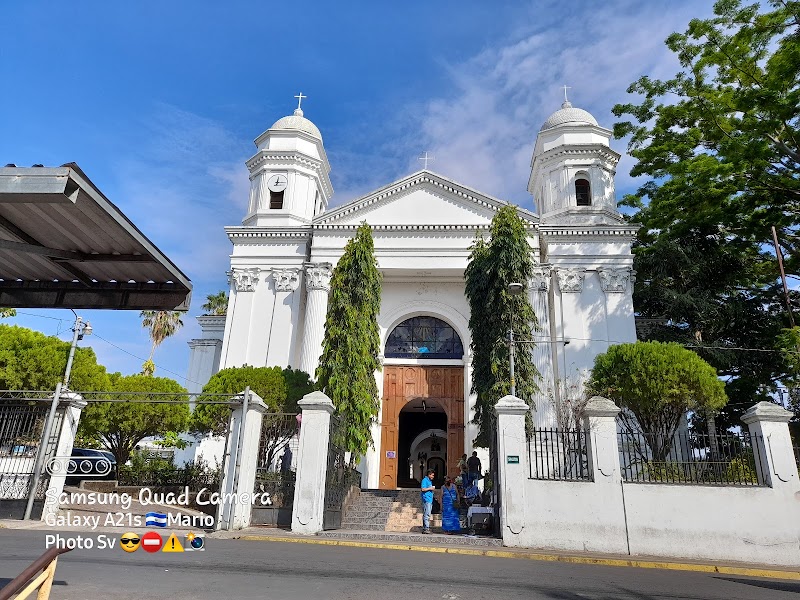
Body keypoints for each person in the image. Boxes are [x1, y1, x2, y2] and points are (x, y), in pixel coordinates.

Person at [420, 468, 436, 534]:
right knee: (427, 514)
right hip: (427, 499)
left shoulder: (429, 481)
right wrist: (430, 488)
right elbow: (423, 489)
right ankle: (426, 528)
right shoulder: (425, 480)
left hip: (430, 499)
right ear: (429, 474)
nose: (433, 477)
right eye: (432, 475)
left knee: (427, 513)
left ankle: (425, 527)